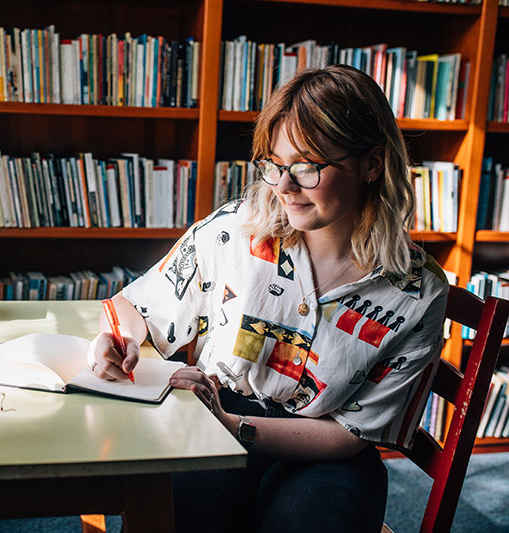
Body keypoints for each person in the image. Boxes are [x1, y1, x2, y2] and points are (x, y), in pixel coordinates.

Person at [87, 64, 449, 532]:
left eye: (306, 167)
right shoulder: (234, 230)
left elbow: (349, 436)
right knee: (170, 506)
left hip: (324, 453)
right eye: (274, 164)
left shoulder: (418, 292)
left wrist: (231, 425)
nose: (282, 185)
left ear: (373, 163)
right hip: (215, 422)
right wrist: (117, 340)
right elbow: (139, 308)